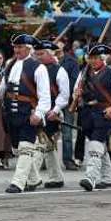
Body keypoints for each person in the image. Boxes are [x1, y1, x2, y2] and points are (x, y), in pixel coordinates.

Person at [0, 34, 51, 193]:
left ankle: (18, 182)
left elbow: (45, 96)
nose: (16, 50)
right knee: (18, 150)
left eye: (20, 47)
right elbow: (3, 90)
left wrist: (39, 114)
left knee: (26, 148)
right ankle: (34, 179)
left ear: (28, 48)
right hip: (11, 114)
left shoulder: (38, 68)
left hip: (28, 113)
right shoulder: (9, 65)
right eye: (15, 47)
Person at [73, 44, 111, 191]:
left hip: (104, 113)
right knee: (99, 145)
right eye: (90, 58)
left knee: (96, 146)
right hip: (87, 113)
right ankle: (107, 178)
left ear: (102, 58)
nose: (92, 61)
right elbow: (76, 91)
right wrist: (76, 94)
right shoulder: (83, 73)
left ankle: (90, 178)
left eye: (95, 58)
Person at [31, 40, 69, 189]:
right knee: (48, 147)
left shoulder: (59, 71)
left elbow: (64, 95)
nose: (39, 57)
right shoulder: (35, 69)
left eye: (42, 54)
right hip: (38, 112)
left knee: (40, 145)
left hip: (52, 114)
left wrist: (56, 110)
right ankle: (56, 177)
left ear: (50, 54)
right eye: (37, 54)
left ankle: (31, 178)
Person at [55, 40, 80, 170]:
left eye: (59, 43)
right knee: (47, 132)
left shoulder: (71, 62)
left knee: (67, 133)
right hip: (50, 101)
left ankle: (68, 160)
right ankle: (44, 161)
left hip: (66, 100)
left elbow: (75, 81)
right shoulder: (46, 62)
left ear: (63, 45)